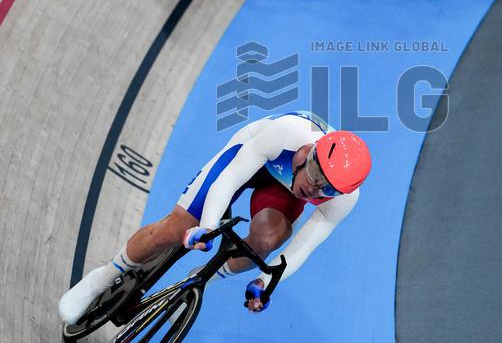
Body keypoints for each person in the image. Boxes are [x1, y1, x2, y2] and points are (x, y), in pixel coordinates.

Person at [58, 111, 372, 321]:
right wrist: (206, 228)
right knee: (179, 227)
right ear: (310, 155)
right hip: (252, 158)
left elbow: (300, 248)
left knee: (266, 241)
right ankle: (101, 277)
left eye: (326, 191)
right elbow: (232, 177)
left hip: (279, 193)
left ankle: (200, 278)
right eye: (316, 175)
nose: (314, 189)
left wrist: (265, 281)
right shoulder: (287, 133)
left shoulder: (345, 199)